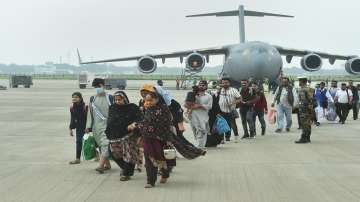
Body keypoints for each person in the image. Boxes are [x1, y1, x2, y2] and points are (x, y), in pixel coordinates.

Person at [138, 86, 205, 188]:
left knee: (161, 158)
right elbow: (145, 122)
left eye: (151, 100)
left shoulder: (164, 109)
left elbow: (165, 123)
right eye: (146, 100)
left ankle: (165, 173)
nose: (148, 102)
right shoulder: (147, 109)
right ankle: (150, 181)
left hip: (161, 138)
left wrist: (168, 138)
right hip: (148, 138)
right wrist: (137, 125)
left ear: (157, 99)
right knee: (149, 159)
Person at [105, 91, 143, 181]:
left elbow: (141, 118)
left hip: (129, 135)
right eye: (116, 100)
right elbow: (110, 120)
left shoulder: (132, 107)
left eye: (120, 99)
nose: (118, 101)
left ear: (124, 99)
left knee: (130, 154)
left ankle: (126, 173)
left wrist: (134, 124)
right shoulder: (112, 107)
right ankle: (127, 169)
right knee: (114, 154)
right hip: (114, 135)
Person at [85, 78, 113, 174]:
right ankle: (107, 165)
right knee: (101, 146)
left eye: (98, 86)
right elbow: (90, 113)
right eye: (95, 87)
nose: (97, 88)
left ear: (103, 86)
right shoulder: (93, 99)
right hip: (96, 126)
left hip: (108, 126)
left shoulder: (110, 98)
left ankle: (100, 166)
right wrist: (88, 126)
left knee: (105, 144)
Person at [185, 80, 213, 148]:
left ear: (206, 86)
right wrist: (190, 106)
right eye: (200, 85)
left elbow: (209, 106)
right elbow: (185, 104)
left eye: (203, 85)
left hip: (203, 116)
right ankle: (199, 144)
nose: (201, 86)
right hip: (192, 116)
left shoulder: (209, 96)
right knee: (195, 130)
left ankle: (200, 146)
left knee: (202, 130)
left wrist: (200, 106)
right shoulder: (192, 94)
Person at [218, 77, 241, 142]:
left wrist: (233, 103)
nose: (224, 84)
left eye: (226, 82)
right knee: (221, 124)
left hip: (230, 110)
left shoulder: (234, 90)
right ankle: (221, 139)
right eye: (223, 83)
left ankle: (230, 136)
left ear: (229, 83)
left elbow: (240, 98)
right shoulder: (220, 90)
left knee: (230, 124)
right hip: (221, 110)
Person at [69, 92, 88, 164]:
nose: (74, 98)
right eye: (73, 97)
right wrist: (70, 129)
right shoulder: (72, 108)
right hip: (79, 128)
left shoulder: (85, 107)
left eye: (76, 97)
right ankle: (78, 159)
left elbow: (89, 118)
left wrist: (88, 127)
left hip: (87, 127)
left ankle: (98, 155)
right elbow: (72, 119)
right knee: (79, 142)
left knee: (91, 142)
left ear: (80, 98)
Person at [295, 77, 313, 144]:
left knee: (305, 124)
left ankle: (304, 138)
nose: (299, 83)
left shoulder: (308, 89)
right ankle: (307, 138)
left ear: (303, 82)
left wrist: (310, 110)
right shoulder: (301, 89)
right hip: (302, 108)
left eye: (299, 81)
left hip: (306, 109)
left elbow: (311, 100)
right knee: (306, 124)